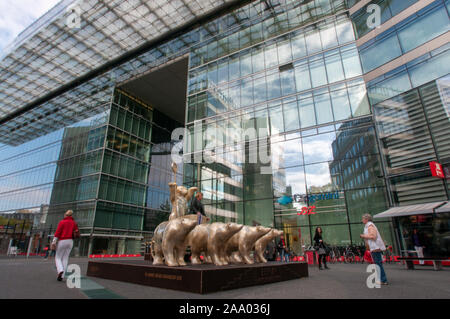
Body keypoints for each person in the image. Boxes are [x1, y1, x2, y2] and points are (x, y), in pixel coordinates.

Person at [360, 213, 388, 285]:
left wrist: (363, 236)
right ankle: (381, 279)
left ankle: (383, 280)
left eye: (363, 218)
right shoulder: (369, 226)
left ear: (366, 219)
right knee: (377, 264)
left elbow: (373, 236)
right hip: (374, 247)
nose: (362, 220)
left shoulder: (370, 226)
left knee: (378, 264)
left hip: (375, 247)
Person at [51, 210, 79, 282]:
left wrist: (54, 242)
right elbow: (76, 232)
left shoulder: (62, 222)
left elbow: (57, 232)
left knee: (58, 257)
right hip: (70, 241)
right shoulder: (74, 223)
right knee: (65, 258)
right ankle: (62, 276)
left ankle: (60, 270)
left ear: (65, 215)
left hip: (62, 240)